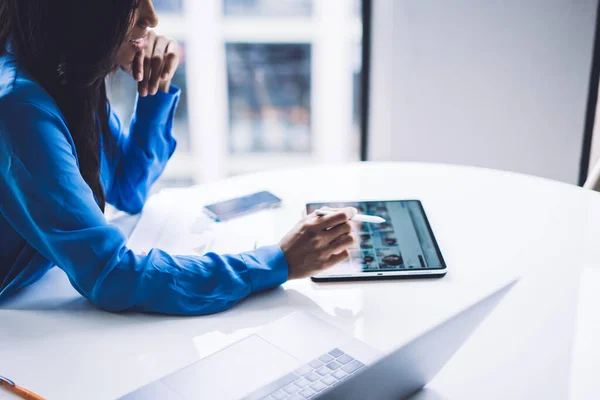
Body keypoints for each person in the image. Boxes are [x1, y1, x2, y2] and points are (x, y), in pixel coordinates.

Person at [0, 0, 356, 315]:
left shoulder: (64, 72)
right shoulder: (19, 106)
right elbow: (111, 277)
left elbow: (127, 189)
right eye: (132, 3)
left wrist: (155, 89)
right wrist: (277, 261)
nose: (152, 18)